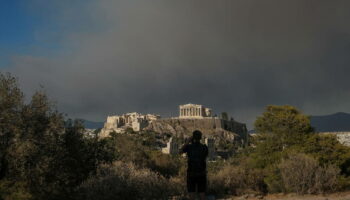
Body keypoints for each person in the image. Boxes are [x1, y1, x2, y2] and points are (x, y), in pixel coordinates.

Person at [180, 130, 208, 200]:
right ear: (200, 138)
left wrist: (188, 142)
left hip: (191, 173)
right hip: (201, 173)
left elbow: (180, 151)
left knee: (191, 193)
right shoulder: (204, 147)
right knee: (202, 193)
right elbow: (205, 156)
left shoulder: (189, 147)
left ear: (193, 137)